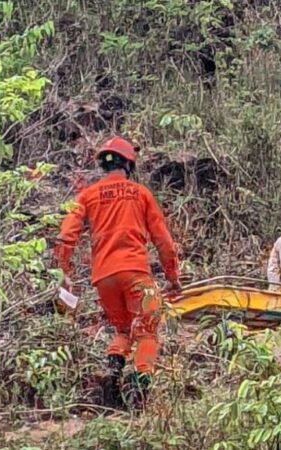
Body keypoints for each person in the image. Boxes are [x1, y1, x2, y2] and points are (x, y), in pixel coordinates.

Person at [54, 136, 180, 409]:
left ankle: (113, 375)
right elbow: (164, 242)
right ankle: (139, 390)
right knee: (147, 330)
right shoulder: (140, 194)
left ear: (104, 165)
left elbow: (65, 236)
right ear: (129, 165)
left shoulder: (87, 196)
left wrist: (64, 272)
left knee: (123, 329)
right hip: (135, 272)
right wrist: (172, 278)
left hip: (104, 279)